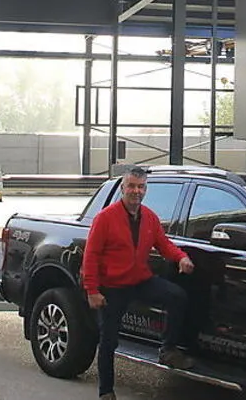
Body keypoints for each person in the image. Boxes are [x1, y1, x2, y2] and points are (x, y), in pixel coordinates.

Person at [82, 165, 195, 400]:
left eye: (141, 187)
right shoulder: (105, 218)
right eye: (131, 186)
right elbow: (90, 256)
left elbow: (164, 245)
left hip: (139, 280)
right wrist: (92, 290)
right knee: (109, 340)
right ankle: (106, 392)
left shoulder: (150, 218)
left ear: (146, 190)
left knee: (176, 296)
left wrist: (181, 257)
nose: (136, 191)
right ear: (123, 188)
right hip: (112, 286)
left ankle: (168, 350)